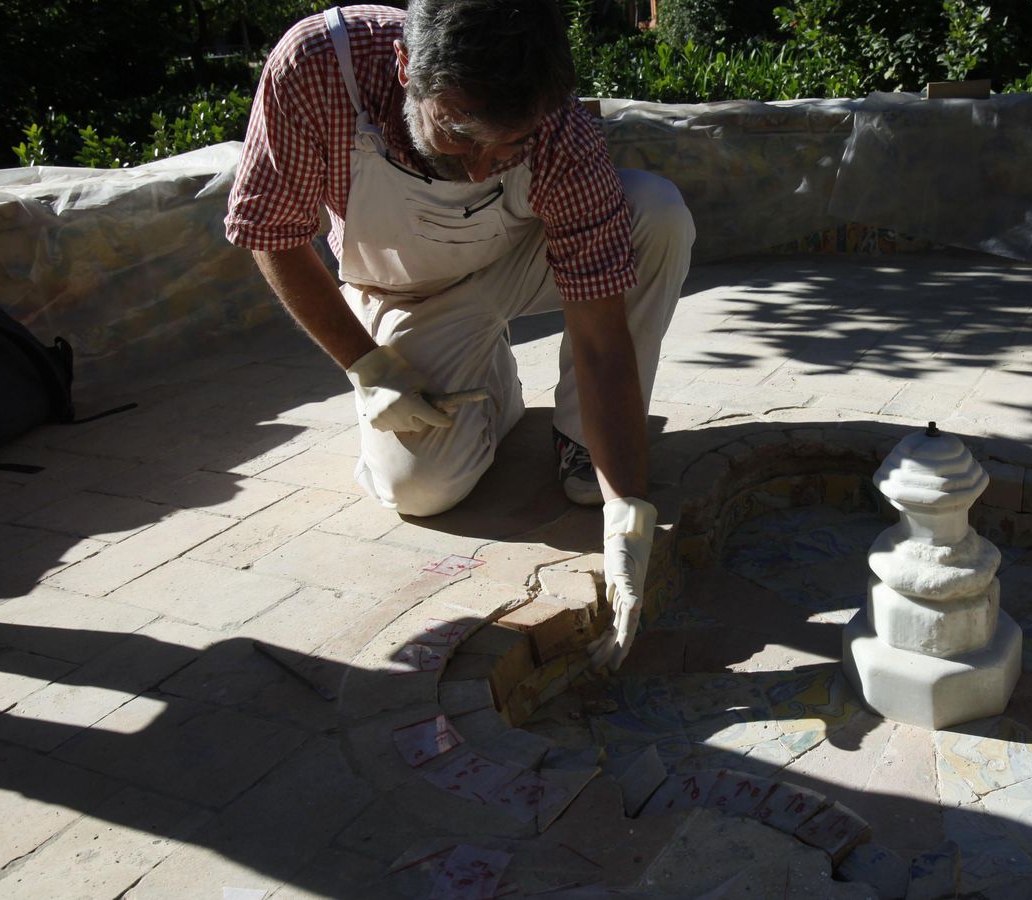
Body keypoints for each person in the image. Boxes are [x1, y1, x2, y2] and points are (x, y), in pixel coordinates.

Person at [224, 0, 694, 669]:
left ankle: (578, 439)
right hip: (403, 293)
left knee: (656, 215)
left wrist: (627, 512)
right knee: (422, 489)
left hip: (515, 265)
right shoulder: (319, 67)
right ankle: (489, 388)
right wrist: (368, 366)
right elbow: (271, 233)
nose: (481, 168)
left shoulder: (559, 127)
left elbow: (600, 339)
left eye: (510, 147)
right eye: (462, 137)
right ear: (406, 67)